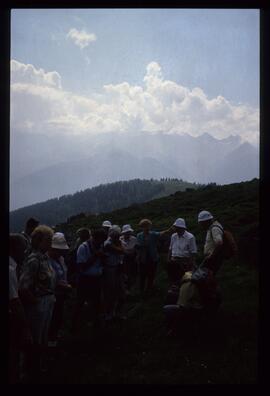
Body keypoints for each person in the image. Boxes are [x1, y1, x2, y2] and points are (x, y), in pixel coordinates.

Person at [18, 225, 56, 378]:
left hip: (46, 301)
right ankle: (31, 370)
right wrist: (36, 303)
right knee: (35, 337)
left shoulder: (44, 257)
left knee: (42, 336)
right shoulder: (34, 259)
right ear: (39, 240)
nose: (50, 243)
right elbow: (23, 287)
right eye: (48, 240)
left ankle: (38, 366)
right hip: (39, 304)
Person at [72, 228, 107, 334]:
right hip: (85, 280)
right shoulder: (83, 247)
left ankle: (95, 324)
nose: (100, 243)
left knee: (96, 302)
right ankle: (75, 325)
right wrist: (96, 256)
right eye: (99, 241)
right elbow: (82, 267)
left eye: (102, 241)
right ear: (94, 238)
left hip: (97, 279)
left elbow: (101, 263)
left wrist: (102, 258)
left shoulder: (100, 246)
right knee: (80, 302)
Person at [9, 234, 32, 383]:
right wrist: (25, 327)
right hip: (10, 318)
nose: (24, 253)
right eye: (22, 250)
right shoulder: (9, 270)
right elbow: (15, 302)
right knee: (13, 350)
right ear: (13, 249)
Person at [136, 219, 174, 296]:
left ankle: (148, 290)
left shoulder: (152, 234)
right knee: (142, 276)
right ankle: (142, 291)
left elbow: (161, 233)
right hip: (143, 259)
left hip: (152, 258)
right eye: (144, 226)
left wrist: (169, 230)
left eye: (147, 226)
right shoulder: (139, 235)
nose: (146, 228)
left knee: (151, 275)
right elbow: (138, 247)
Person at [48, 233, 72, 346]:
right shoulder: (47, 260)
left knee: (58, 315)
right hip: (52, 295)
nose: (60, 253)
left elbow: (63, 273)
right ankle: (50, 339)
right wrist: (64, 286)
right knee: (52, 316)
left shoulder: (60, 258)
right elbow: (49, 280)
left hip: (61, 293)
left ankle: (54, 335)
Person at [103, 226, 126, 320]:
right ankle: (109, 313)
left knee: (120, 292)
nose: (117, 237)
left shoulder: (115, 242)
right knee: (110, 293)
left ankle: (116, 312)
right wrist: (120, 243)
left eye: (118, 236)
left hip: (117, 268)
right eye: (116, 236)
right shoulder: (107, 244)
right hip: (110, 270)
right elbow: (121, 251)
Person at [167, 218, 197, 285]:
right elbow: (170, 248)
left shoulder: (190, 237)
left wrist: (190, 264)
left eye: (177, 227)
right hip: (173, 261)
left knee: (183, 280)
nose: (175, 229)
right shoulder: (173, 236)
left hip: (184, 262)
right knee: (173, 279)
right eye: (175, 227)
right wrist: (168, 260)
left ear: (181, 227)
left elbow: (193, 252)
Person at [198, 210, 224, 275]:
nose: (201, 225)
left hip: (214, 259)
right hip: (213, 258)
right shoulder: (213, 227)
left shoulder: (214, 229)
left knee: (210, 277)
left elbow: (219, 243)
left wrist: (211, 255)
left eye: (202, 223)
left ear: (206, 221)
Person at [120, 225, 138, 292]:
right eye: (127, 232)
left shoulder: (134, 239)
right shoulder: (120, 239)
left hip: (132, 259)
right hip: (124, 259)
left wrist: (127, 251)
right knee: (125, 274)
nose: (128, 233)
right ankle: (125, 289)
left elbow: (135, 249)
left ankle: (131, 288)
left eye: (129, 232)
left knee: (132, 274)